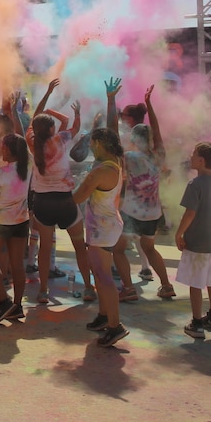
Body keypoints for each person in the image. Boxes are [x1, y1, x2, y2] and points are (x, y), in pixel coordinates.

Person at [20, 79, 93, 302]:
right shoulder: (61, 139)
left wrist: (46, 100)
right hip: (65, 202)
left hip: (42, 202)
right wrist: (66, 112)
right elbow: (73, 124)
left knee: (43, 248)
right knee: (80, 246)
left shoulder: (31, 141)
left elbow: (34, 120)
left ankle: (43, 292)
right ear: (52, 129)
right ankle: (89, 288)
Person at [113, 85, 175, 301]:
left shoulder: (130, 158)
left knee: (118, 249)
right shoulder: (159, 155)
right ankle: (166, 286)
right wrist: (149, 106)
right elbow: (156, 133)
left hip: (132, 213)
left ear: (135, 139)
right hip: (153, 215)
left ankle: (128, 289)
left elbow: (112, 137)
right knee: (149, 248)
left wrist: (111, 101)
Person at [74, 126, 128, 347]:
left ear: (98, 144)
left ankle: (116, 326)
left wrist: (80, 181)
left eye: (92, 143)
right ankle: (104, 316)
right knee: (99, 273)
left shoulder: (101, 171)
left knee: (104, 277)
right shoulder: (115, 162)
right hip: (106, 225)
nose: (90, 147)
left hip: (102, 229)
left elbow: (78, 197)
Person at [175, 142, 211, 339]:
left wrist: (179, 234)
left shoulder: (194, 184)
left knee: (196, 283)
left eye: (193, 154)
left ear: (201, 160)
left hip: (197, 241)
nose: (190, 157)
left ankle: (197, 323)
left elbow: (189, 213)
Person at [0, 133, 31, 325]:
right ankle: (17, 306)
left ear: (9, 150)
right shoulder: (28, 167)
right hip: (22, 221)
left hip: (1, 222)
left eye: (3, 146)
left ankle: (4, 301)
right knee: (17, 264)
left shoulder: (0, 173)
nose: (1, 149)